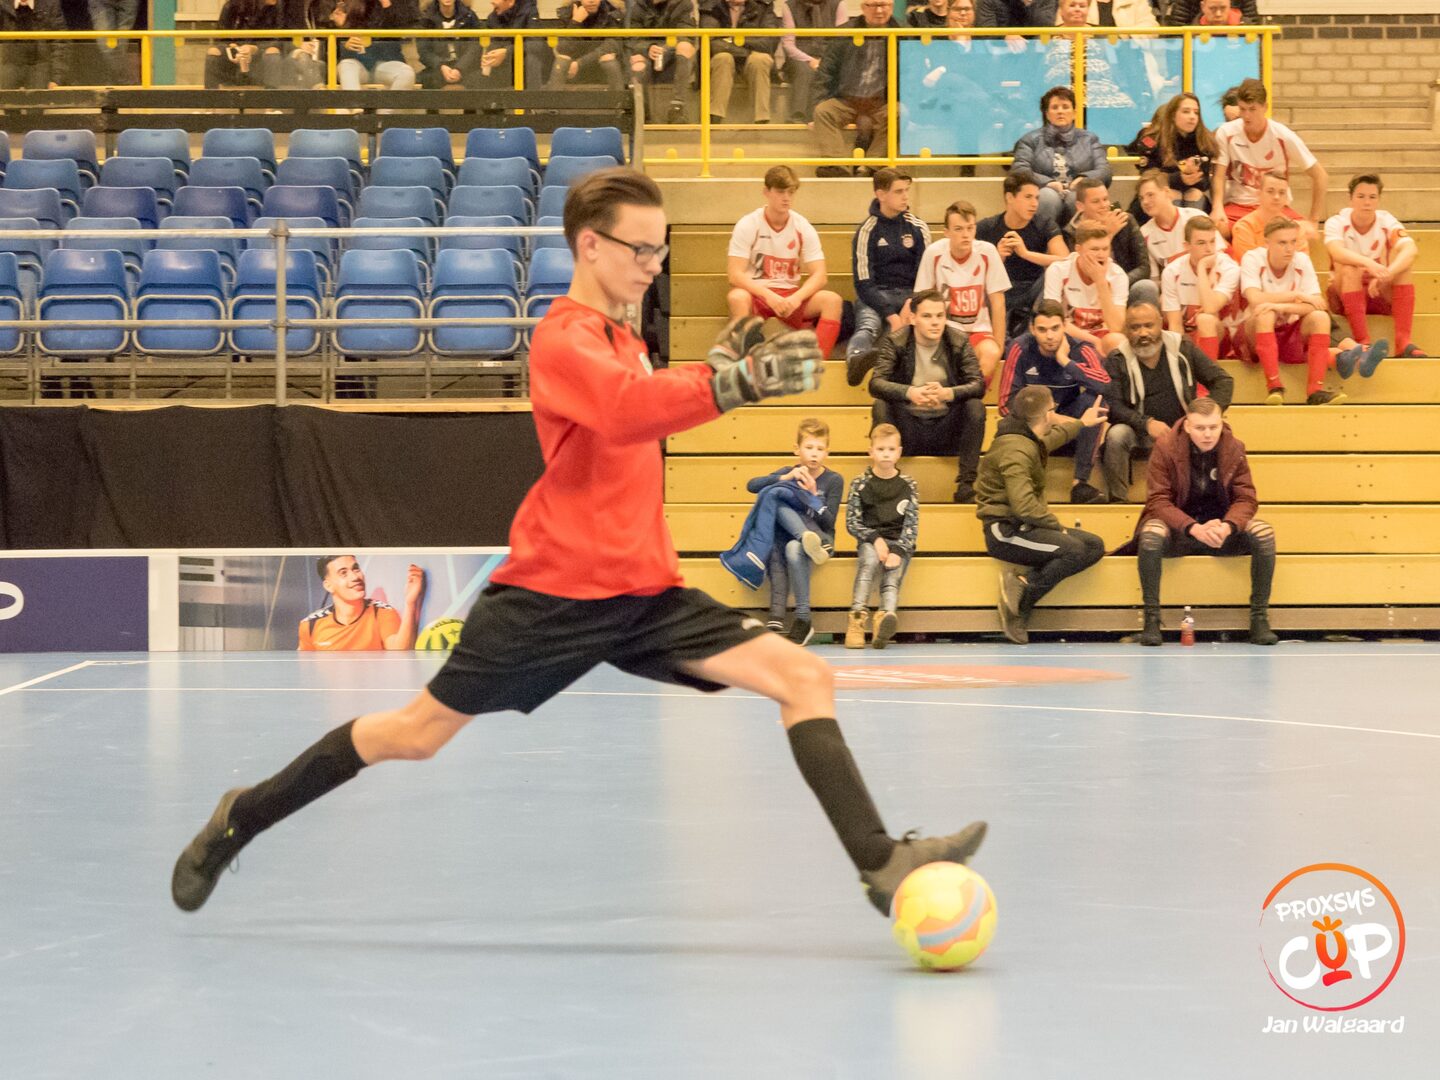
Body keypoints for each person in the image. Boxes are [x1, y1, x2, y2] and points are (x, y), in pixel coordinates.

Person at [170, 167, 988, 921]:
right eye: (641, 249)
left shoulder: (624, 338)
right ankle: (243, 814)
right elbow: (626, 411)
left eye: (661, 251)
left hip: (643, 593)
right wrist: (735, 381)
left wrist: (717, 366)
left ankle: (879, 863)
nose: (653, 265)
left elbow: (645, 397)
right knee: (413, 735)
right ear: (590, 245)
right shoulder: (562, 339)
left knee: (803, 676)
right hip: (551, 595)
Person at [1131, 397, 1278, 647]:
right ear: (1187, 426)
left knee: (1264, 532)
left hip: (1220, 531)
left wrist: (1228, 526)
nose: (1208, 434)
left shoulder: (1234, 447)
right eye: (1200, 428)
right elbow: (1158, 501)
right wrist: (1193, 528)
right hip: (1179, 531)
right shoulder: (1165, 447)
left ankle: (1259, 619)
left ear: (1222, 423)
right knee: (1151, 533)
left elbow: (1246, 499)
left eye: (1213, 427)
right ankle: (1152, 620)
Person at [976, 383, 1107, 643]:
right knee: (1074, 550)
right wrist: (1057, 526)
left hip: (1023, 526)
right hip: (1005, 532)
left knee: (1094, 545)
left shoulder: (1024, 439)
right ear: (1048, 414)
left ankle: (1022, 585)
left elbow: (1048, 442)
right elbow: (1024, 506)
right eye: (1053, 409)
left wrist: (1082, 423)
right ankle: (1019, 609)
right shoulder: (1016, 450)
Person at [1101, 298, 1234, 503]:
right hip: (1139, 433)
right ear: (1127, 330)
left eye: (1149, 325)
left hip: (1185, 430)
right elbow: (1113, 406)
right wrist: (1146, 423)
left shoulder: (1183, 348)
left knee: (1215, 431)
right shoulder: (1117, 358)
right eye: (1135, 327)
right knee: (1117, 434)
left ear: (1160, 324)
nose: (1143, 333)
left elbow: (1223, 381)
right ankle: (1118, 501)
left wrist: (1202, 416)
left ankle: (1213, 499)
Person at [869, 289, 988, 502]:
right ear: (913, 318)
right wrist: (909, 393)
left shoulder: (958, 340)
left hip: (947, 428)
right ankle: (886, 482)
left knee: (975, 407)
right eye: (927, 316)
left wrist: (948, 393)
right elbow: (876, 383)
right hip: (908, 429)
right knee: (881, 405)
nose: (935, 322)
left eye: (940, 316)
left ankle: (966, 485)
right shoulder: (896, 341)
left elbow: (978, 385)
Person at [739, 419, 845, 645]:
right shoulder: (790, 472)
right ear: (797, 449)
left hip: (822, 540)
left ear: (827, 452)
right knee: (776, 501)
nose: (814, 453)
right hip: (793, 541)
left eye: (820, 449)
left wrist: (813, 496)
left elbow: (829, 521)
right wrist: (783, 478)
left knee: (795, 544)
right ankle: (803, 620)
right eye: (809, 447)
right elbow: (752, 485)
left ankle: (803, 618)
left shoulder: (834, 480)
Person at [996, 299, 1111, 503]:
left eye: (1055, 328)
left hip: (1070, 431)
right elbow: (1005, 403)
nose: (1049, 336)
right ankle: (1017, 483)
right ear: (1032, 329)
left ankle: (1080, 484)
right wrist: (1050, 418)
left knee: (1096, 403)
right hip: (1034, 428)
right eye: (1042, 329)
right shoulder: (1019, 348)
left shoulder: (1080, 348)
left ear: (1065, 325)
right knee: (1009, 420)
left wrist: (1066, 361)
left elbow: (1106, 386)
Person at [726, 165, 845, 360]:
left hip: (790, 294)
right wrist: (768, 296)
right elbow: (735, 275)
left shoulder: (802, 226)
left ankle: (816, 364)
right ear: (766, 192)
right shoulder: (749, 224)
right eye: (781, 192)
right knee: (737, 297)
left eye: (791, 192)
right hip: (757, 292)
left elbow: (820, 275)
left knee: (832, 300)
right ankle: (744, 361)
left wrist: (797, 298)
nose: (786, 198)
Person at [1239, 217, 1357, 407]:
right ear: (1267, 243)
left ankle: (1315, 391)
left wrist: (1281, 306)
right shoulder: (1253, 258)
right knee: (1265, 314)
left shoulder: (1301, 260)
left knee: (1320, 317)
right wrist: (1296, 295)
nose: (1289, 248)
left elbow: (1317, 304)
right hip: (1255, 334)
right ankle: (1274, 387)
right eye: (1282, 243)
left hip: (1289, 330)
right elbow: (1255, 299)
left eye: (1293, 242)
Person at [1325, 173, 1426, 358]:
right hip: (1344, 294)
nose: (1367, 202)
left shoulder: (1386, 220)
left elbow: (1411, 249)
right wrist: (1368, 263)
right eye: (1361, 196)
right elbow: (1336, 251)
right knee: (1350, 269)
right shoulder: (1337, 222)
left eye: (1372, 197)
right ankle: (1363, 343)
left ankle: (1403, 343)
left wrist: (1387, 274)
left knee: (1403, 269)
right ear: (1350, 198)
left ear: (1378, 199)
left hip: (1376, 288)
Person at [1210, 78, 1327, 238]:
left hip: (1276, 207)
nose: (1246, 115)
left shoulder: (1283, 136)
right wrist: (1217, 207)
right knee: (1217, 228)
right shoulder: (1226, 132)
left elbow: (1320, 175)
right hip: (1239, 205)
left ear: (1265, 107)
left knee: (1311, 234)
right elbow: (1218, 176)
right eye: (1243, 109)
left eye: (1252, 109)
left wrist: (1313, 220)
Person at [847, 168, 930, 384]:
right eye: (899, 191)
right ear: (881, 194)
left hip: (911, 295)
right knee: (868, 326)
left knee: (921, 326)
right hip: (876, 295)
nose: (905, 196)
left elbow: (926, 276)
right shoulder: (867, 231)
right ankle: (855, 361)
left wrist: (911, 303)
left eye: (907, 190)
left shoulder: (918, 227)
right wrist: (891, 316)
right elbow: (863, 283)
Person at [913, 201, 1010, 386]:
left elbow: (998, 303)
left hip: (978, 331)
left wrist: (999, 347)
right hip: (943, 331)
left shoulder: (987, 252)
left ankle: (969, 397)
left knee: (991, 353)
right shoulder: (933, 254)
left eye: (970, 228)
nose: (965, 234)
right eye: (958, 229)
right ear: (946, 232)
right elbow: (922, 302)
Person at [845, 423, 920, 650]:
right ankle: (857, 621)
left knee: (891, 578)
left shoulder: (909, 485)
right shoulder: (860, 483)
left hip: (899, 543)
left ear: (899, 452)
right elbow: (852, 522)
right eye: (880, 449)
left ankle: (884, 620)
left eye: (891, 449)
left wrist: (898, 550)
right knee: (868, 563)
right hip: (870, 540)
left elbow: (911, 525)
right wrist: (875, 539)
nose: (886, 454)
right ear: (871, 452)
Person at [977, 170, 1071, 343]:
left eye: (1037, 198)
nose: (1034, 204)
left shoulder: (1044, 224)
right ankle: (1000, 336)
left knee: (1055, 271)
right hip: (1000, 291)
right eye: (1028, 197)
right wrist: (996, 258)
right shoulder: (986, 227)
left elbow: (1066, 260)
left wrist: (1026, 253)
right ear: (1010, 198)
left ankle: (1033, 331)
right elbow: (970, 269)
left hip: (1033, 290)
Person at [811, 0, 898, 177]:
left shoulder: (904, 33)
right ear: (863, 7)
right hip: (847, 99)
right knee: (823, 111)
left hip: (882, 101)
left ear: (892, 6)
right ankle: (836, 166)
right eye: (873, 5)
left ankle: (871, 167)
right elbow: (826, 71)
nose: (879, 10)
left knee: (900, 113)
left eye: (884, 5)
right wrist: (817, 103)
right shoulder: (845, 33)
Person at [1010, 86, 1113, 229]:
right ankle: (1045, 240)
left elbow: (1104, 170)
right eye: (1055, 107)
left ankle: (1082, 240)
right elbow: (1019, 170)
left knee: (1078, 198)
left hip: (1077, 190)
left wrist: (1083, 180)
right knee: (1047, 197)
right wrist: (1048, 183)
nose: (1060, 111)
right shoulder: (1030, 140)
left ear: (1074, 113)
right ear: (1047, 114)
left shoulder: (1090, 139)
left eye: (1065, 107)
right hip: (1044, 190)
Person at [298, 556, 426, 651]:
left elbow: (400, 654)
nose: (355, 577)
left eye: (356, 569)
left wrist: (410, 603)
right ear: (328, 586)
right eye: (343, 573)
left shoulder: (381, 612)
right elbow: (302, 669)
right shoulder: (310, 626)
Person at [1159, 215, 1241, 360]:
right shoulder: (1172, 271)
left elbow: (1210, 308)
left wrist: (1202, 267)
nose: (1209, 249)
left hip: (1223, 340)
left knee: (1205, 319)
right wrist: (1179, 357)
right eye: (1201, 243)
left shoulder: (1229, 268)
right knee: (1162, 305)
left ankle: (1208, 373)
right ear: (1187, 246)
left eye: (1212, 241)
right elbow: (1175, 325)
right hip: (1188, 338)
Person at [1125, 93, 1218, 217]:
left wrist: (1192, 176)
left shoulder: (1204, 141)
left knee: (1194, 194)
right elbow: (1149, 178)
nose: (1192, 117)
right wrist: (1179, 178)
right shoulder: (1152, 139)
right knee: (1170, 194)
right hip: (1156, 196)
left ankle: (1191, 228)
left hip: (1190, 195)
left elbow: (1204, 183)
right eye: (1186, 112)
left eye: (1196, 113)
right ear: (1173, 115)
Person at [1043, 223, 1128, 355]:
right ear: (1078, 249)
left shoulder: (1117, 275)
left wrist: (1101, 282)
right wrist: (1093, 341)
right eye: (1094, 249)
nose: (1101, 255)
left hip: (1103, 336)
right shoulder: (1058, 270)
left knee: (1118, 340)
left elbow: (1117, 328)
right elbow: (1053, 321)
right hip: (1070, 335)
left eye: (1105, 249)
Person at [1063, 177, 1152, 301]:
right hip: (1087, 293)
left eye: (1105, 199)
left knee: (1146, 287)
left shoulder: (1125, 220)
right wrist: (1108, 235)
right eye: (1096, 201)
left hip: (1124, 285)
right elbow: (1083, 272)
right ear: (1080, 206)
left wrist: (1118, 283)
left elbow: (1144, 268)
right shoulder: (1071, 232)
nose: (1104, 205)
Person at [702, 0, 780, 124]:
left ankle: (761, 119)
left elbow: (768, 43)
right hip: (725, 60)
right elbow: (712, 44)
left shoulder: (763, 7)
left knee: (760, 59)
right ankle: (714, 117)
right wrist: (747, 50)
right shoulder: (711, 6)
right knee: (723, 58)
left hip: (752, 59)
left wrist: (736, 42)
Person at [626, 0, 699, 125]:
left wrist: (666, 48)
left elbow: (687, 34)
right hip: (648, 51)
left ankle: (677, 107)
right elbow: (633, 39)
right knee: (637, 63)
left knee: (685, 47)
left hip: (674, 51)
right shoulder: (638, 6)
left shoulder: (684, 3)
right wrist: (648, 48)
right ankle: (642, 113)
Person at [776, 0, 849, 125]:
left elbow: (842, 40)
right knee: (804, 71)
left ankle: (824, 117)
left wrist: (826, 60)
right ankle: (797, 116)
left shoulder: (838, 4)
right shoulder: (790, 6)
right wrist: (809, 60)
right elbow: (788, 44)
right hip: (799, 57)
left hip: (830, 55)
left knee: (833, 69)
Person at [1136, 170, 1205, 286]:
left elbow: (1221, 257)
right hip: (1173, 289)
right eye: (1141, 198)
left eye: (1150, 195)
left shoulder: (1195, 217)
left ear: (1167, 192)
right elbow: (1155, 281)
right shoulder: (1144, 233)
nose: (1145, 202)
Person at [336, 0, 419, 90]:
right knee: (346, 66)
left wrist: (386, 4)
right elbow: (333, 49)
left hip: (386, 62)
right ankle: (354, 100)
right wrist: (344, 38)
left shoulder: (399, 4)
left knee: (406, 73)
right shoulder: (349, 4)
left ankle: (390, 100)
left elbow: (405, 30)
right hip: (357, 62)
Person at [1228, 171, 1310, 262]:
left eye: (1282, 192)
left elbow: (1302, 263)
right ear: (1259, 194)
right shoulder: (1244, 227)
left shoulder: (1297, 229)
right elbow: (1249, 264)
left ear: (1287, 197)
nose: (1276, 197)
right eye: (1270, 191)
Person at [546, 0, 625, 91]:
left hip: (598, 65)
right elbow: (563, 49)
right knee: (562, 60)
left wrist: (580, 63)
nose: (591, 1)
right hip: (572, 68)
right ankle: (554, 99)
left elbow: (611, 46)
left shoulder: (612, 14)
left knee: (609, 59)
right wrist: (575, 22)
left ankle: (619, 99)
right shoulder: (566, 14)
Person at [0, 0, 71, 89]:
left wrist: (57, 79)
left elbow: (61, 42)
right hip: (6, 70)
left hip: (40, 72)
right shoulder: (2, 4)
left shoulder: (50, 4)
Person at [474, 0, 540, 89]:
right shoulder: (492, 18)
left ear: (510, 1)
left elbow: (536, 44)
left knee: (532, 60)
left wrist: (507, 52)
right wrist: (489, 56)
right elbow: (490, 44)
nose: (492, 2)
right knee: (474, 79)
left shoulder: (530, 12)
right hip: (500, 71)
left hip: (524, 70)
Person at [416, 0, 482, 89]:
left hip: (466, 68)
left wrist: (459, 68)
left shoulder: (469, 16)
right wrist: (441, 66)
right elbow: (424, 51)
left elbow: (475, 47)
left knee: (480, 79)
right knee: (428, 80)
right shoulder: (426, 18)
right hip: (437, 70)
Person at [88, 0, 138, 83]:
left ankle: (119, 80)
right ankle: (122, 80)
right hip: (100, 2)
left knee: (122, 44)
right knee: (105, 43)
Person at [975, 0, 1056, 25]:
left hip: (1035, 52)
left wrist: (1029, 5)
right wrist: (1006, 35)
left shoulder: (1045, 1)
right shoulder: (988, 1)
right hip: (998, 52)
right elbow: (986, 34)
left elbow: (1046, 25)